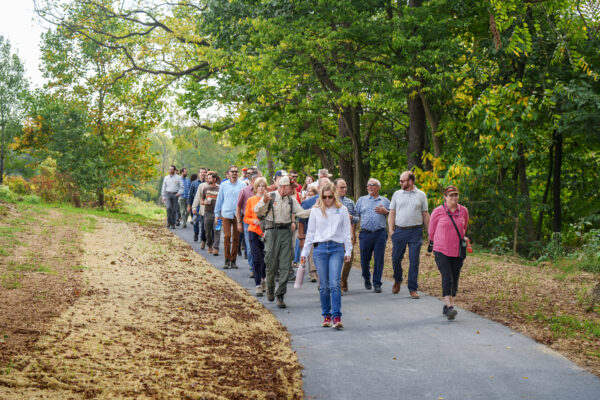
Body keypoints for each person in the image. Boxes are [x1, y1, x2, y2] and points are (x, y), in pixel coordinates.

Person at [301, 182, 352, 329]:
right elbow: (310, 233)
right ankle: (326, 316)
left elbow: (346, 232)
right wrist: (304, 252)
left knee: (335, 283)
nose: (328, 200)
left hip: (336, 248)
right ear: (321, 197)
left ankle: (336, 316)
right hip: (320, 249)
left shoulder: (342, 209)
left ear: (334, 196)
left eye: (330, 197)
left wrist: (348, 250)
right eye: (325, 197)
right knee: (324, 286)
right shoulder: (316, 211)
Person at [255, 176, 310, 308]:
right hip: (272, 231)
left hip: (286, 232)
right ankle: (270, 288)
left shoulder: (291, 200)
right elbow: (257, 210)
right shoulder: (271, 196)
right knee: (271, 263)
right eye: (291, 187)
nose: (293, 189)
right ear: (284, 186)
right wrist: (264, 200)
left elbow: (302, 213)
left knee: (286, 265)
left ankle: (280, 295)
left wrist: (317, 210)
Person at [428, 185, 469, 320]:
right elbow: (431, 231)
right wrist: (435, 244)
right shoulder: (438, 211)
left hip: (457, 250)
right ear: (445, 197)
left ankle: (446, 306)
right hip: (441, 250)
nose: (454, 197)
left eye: (456, 195)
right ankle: (450, 306)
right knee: (447, 277)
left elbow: (464, 228)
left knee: (455, 280)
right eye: (451, 195)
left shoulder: (463, 211)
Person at [388, 171, 430, 299]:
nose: (400, 183)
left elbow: (425, 214)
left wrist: (430, 232)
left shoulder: (421, 195)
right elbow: (392, 213)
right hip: (399, 231)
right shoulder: (397, 194)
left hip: (415, 232)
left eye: (402, 181)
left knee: (414, 261)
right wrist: (391, 230)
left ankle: (413, 288)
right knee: (396, 259)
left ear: (410, 181)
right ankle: (398, 279)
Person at [356, 178, 390, 293]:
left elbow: (393, 215)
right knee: (364, 259)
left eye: (372, 185)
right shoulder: (361, 200)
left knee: (379, 259)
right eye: (368, 185)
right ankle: (366, 277)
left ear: (378, 187)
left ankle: (377, 283)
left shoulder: (385, 201)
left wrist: (386, 212)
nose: (369, 187)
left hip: (380, 233)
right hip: (365, 233)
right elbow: (356, 216)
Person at [215, 166, 246, 269]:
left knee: (236, 238)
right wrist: (217, 215)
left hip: (237, 215)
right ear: (228, 173)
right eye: (232, 171)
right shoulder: (223, 185)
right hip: (226, 214)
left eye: (236, 172)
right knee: (227, 236)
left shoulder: (242, 185)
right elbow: (219, 200)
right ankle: (226, 260)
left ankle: (233, 260)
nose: (234, 173)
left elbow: (245, 201)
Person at [244, 177, 268, 296]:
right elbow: (246, 217)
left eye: (263, 186)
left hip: (266, 232)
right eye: (259, 186)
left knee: (265, 259)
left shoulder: (268, 200)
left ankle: (264, 278)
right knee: (256, 257)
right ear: (255, 188)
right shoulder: (251, 200)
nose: (261, 188)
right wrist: (254, 221)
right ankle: (258, 283)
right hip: (254, 231)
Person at [335, 179, 359, 294]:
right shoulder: (331, 201)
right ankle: (336, 283)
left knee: (349, 257)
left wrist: (351, 218)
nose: (344, 189)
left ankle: (343, 279)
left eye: (345, 187)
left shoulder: (349, 202)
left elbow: (357, 217)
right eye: (341, 187)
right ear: (335, 188)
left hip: (347, 234)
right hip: (335, 235)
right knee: (336, 259)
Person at [236, 171, 260, 276]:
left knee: (260, 246)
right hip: (248, 222)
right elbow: (238, 207)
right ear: (252, 181)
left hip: (260, 223)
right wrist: (239, 222)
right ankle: (252, 267)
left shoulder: (263, 192)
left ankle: (260, 267)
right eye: (257, 181)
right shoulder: (244, 191)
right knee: (250, 247)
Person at [194, 171, 220, 255]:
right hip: (207, 212)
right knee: (207, 231)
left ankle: (216, 248)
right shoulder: (205, 189)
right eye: (207, 178)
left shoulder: (220, 188)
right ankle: (209, 245)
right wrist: (205, 203)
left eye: (209, 178)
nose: (207, 179)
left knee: (217, 230)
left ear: (214, 179)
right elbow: (201, 200)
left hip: (217, 213)